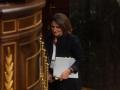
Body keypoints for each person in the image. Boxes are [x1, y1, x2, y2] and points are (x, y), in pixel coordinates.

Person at [45, 13, 83, 90]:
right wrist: (47, 73)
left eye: (58, 27)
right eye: (53, 27)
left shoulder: (72, 40)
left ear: (64, 27)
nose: (54, 30)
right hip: (53, 80)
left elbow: (81, 59)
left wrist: (70, 70)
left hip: (68, 79)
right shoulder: (48, 38)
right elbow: (46, 58)